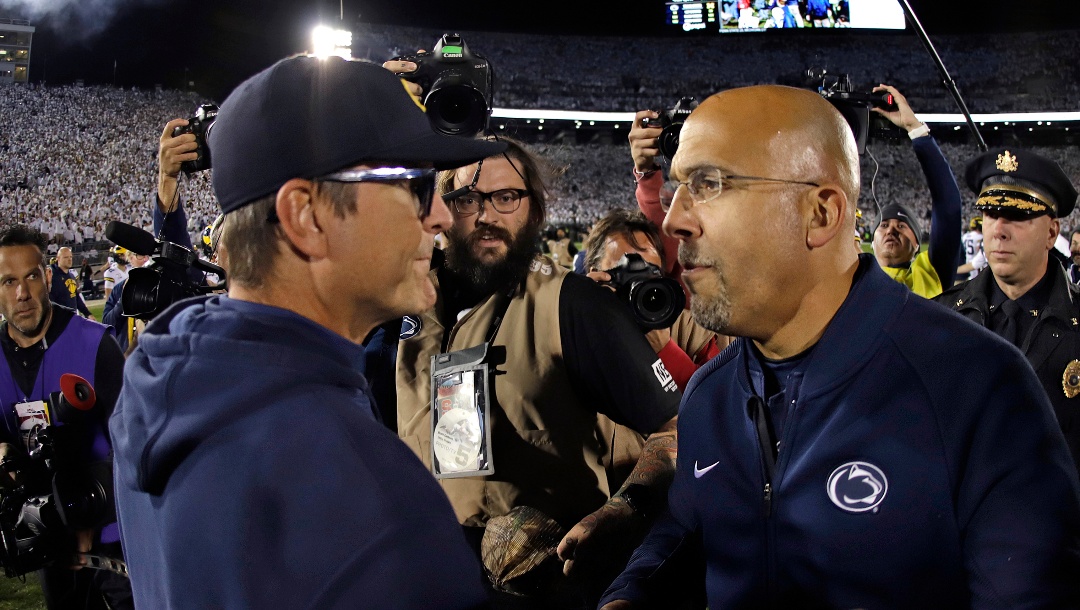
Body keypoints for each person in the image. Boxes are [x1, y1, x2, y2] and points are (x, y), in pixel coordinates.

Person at [599, 85, 1080, 609]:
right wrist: (633, 590)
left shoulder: (977, 387)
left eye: (710, 183)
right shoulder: (709, 395)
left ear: (822, 214)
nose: (674, 221)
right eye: (678, 188)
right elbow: (690, 528)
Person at [109, 56, 505, 609]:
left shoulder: (158, 374)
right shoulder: (368, 496)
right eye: (415, 184)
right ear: (306, 215)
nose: (440, 214)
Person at [390, 136, 681, 608]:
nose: (487, 215)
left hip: (543, 586)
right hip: (423, 577)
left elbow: (674, 431)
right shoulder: (402, 303)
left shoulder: (576, 306)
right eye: (468, 198)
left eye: (507, 197)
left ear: (536, 210)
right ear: (442, 210)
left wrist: (625, 510)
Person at [0, 225, 131, 610]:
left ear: (48, 275)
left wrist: (91, 511)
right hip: (48, 539)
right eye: (8, 281)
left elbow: (138, 442)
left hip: (116, 536)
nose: (22, 293)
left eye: (31, 276)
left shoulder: (96, 344)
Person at [936, 148, 1080, 472]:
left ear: (1052, 233)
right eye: (989, 214)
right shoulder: (940, 319)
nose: (998, 229)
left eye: (1016, 215)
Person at [582, 208, 726, 390]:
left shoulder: (692, 332)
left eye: (648, 273)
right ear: (595, 275)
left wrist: (665, 349)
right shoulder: (572, 326)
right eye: (624, 273)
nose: (637, 286)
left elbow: (716, 405)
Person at [869, 85, 962, 298]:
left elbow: (948, 206)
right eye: (883, 225)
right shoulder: (852, 281)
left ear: (917, 244)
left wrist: (914, 128)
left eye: (901, 225)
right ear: (872, 243)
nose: (891, 230)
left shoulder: (929, 274)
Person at [49, 246, 94, 319]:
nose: (69, 260)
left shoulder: (71, 275)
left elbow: (76, 297)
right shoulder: (52, 276)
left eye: (71, 257)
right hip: (59, 321)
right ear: (58, 258)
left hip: (72, 319)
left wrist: (87, 313)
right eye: (66, 257)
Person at [957, 216, 986, 280]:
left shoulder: (964, 236)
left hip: (966, 264)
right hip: (977, 264)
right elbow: (979, 249)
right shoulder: (981, 237)